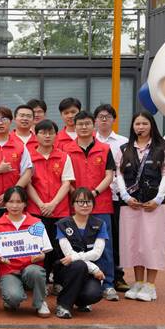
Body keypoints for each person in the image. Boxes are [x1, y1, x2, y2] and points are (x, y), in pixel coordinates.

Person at [118, 112, 165, 302]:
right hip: (131, 204)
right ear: (132, 126)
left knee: (152, 243)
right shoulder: (124, 148)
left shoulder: (162, 148)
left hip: (153, 205)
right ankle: (138, 282)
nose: (140, 127)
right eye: (137, 123)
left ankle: (150, 286)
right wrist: (125, 196)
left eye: (144, 123)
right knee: (134, 243)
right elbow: (119, 174)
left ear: (152, 125)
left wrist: (158, 198)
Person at [64, 110, 118, 301]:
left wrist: (93, 194)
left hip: (101, 204)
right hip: (75, 206)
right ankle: (76, 282)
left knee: (105, 246)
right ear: (75, 126)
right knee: (74, 244)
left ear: (93, 124)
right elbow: (65, 178)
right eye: (80, 124)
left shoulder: (104, 149)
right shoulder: (66, 149)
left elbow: (109, 175)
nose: (84, 127)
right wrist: (78, 197)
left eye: (87, 123)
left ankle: (108, 284)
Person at [0, 186, 52, 317]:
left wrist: (41, 256)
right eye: (11, 201)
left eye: (19, 202)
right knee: (13, 298)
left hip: (31, 267)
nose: (15, 206)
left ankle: (40, 302)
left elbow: (45, 250)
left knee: (36, 272)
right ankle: (11, 297)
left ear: (25, 203)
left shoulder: (36, 223)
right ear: (5, 203)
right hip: (8, 269)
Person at [26, 119, 75, 283]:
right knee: (39, 247)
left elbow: (66, 183)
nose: (47, 136)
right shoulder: (29, 156)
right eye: (43, 133)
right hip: (36, 210)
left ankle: (59, 282)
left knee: (59, 248)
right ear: (36, 135)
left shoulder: (64, 157)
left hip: (60, 210)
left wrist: (53, 204)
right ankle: (42, 281)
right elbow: (27, 183)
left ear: (56, 135)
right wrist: (40, 204)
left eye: (51, 133)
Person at [53, 188, 106, 319]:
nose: (85, 205)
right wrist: (94, 268)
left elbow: (97, 253)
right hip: (66, 269)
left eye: (88, 202)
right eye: (80, 201)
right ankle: (63, 305)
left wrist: (78, 259)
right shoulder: (62, 224)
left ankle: (80, 301)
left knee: (94, 294)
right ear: (73, 204)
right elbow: (68, 254)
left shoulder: (100, 224)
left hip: (89, 272)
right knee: (79, 265)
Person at [94, 103, 130, 292]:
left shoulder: (123, 141)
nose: (104, 120)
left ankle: (118, 275)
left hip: (118, 196)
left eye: (107, 116)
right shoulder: (90, 140)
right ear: (95, 120)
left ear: (114, 120)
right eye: (100, 116)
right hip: (96, 198)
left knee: (117, 238)